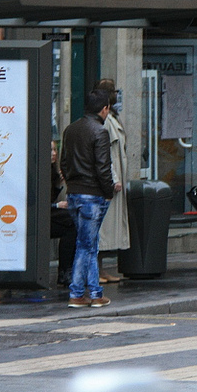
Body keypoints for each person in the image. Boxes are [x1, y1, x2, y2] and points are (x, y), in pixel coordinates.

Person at [60, 89, 118, 308]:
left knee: (88, 244)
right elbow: (103, 168)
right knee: (86, 246)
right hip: (93, 195)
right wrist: (108, 191)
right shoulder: (100, 132)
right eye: (108, 109)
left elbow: (64, 163)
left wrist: (72, 185)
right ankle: (76, 293)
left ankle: (95, 293)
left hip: (74, 193)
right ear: (104, 109)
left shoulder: (70, 130)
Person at [93, 79, 129, 283]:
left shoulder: (112, 118)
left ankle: (102, 269)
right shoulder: (105, 121)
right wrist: (113, 178)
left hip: (113, 180)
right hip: (108, 182)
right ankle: (97, 271)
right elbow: (104, 153)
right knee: (102, 228)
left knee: (107, 228)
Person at [49, 140, 76, 289]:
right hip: (38, 217)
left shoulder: (53, 171)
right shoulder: (39, 171)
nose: (53, 153)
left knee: (73, 222)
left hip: (49, 214)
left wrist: (59, 184)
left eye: (54, 150)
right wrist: (56, 205)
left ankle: (67, 270)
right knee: (71, 222)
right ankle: (65, 272)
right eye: (50, 150)